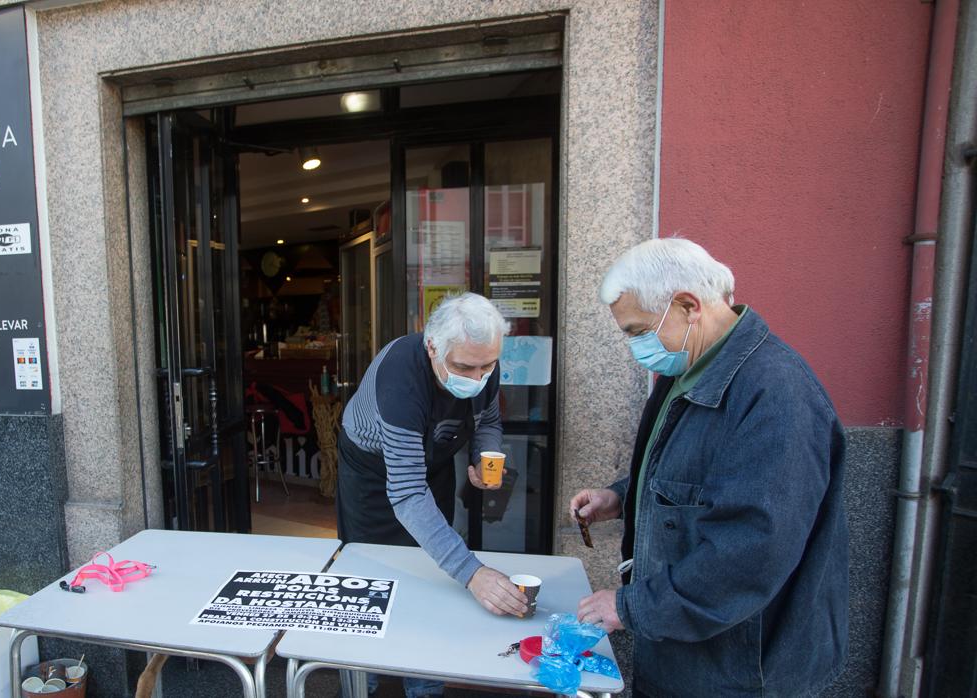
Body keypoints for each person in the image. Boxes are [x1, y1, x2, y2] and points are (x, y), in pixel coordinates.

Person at [570, 238, 849, 697]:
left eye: (638, 330)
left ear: (687, 306)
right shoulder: (688, 366)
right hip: (690, 650)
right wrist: (622, 494)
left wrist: (632, 606)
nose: (634, 345)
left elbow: (752, 549)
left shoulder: (778, 394)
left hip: (739, 668)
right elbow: (697, 472)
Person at [338, 292, 527, 697]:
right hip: (371, 473)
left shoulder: (481, 361)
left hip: (432, 462)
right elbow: (406, 493)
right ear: (432, 347)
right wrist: (473, 573)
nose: (477, 378)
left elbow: (489, 418)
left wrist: (484, 453)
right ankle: (363, 683)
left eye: (487, 366)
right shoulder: (402, 377)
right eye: (464, 368)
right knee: (372, 579)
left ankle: (424, 686)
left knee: (429, 573)